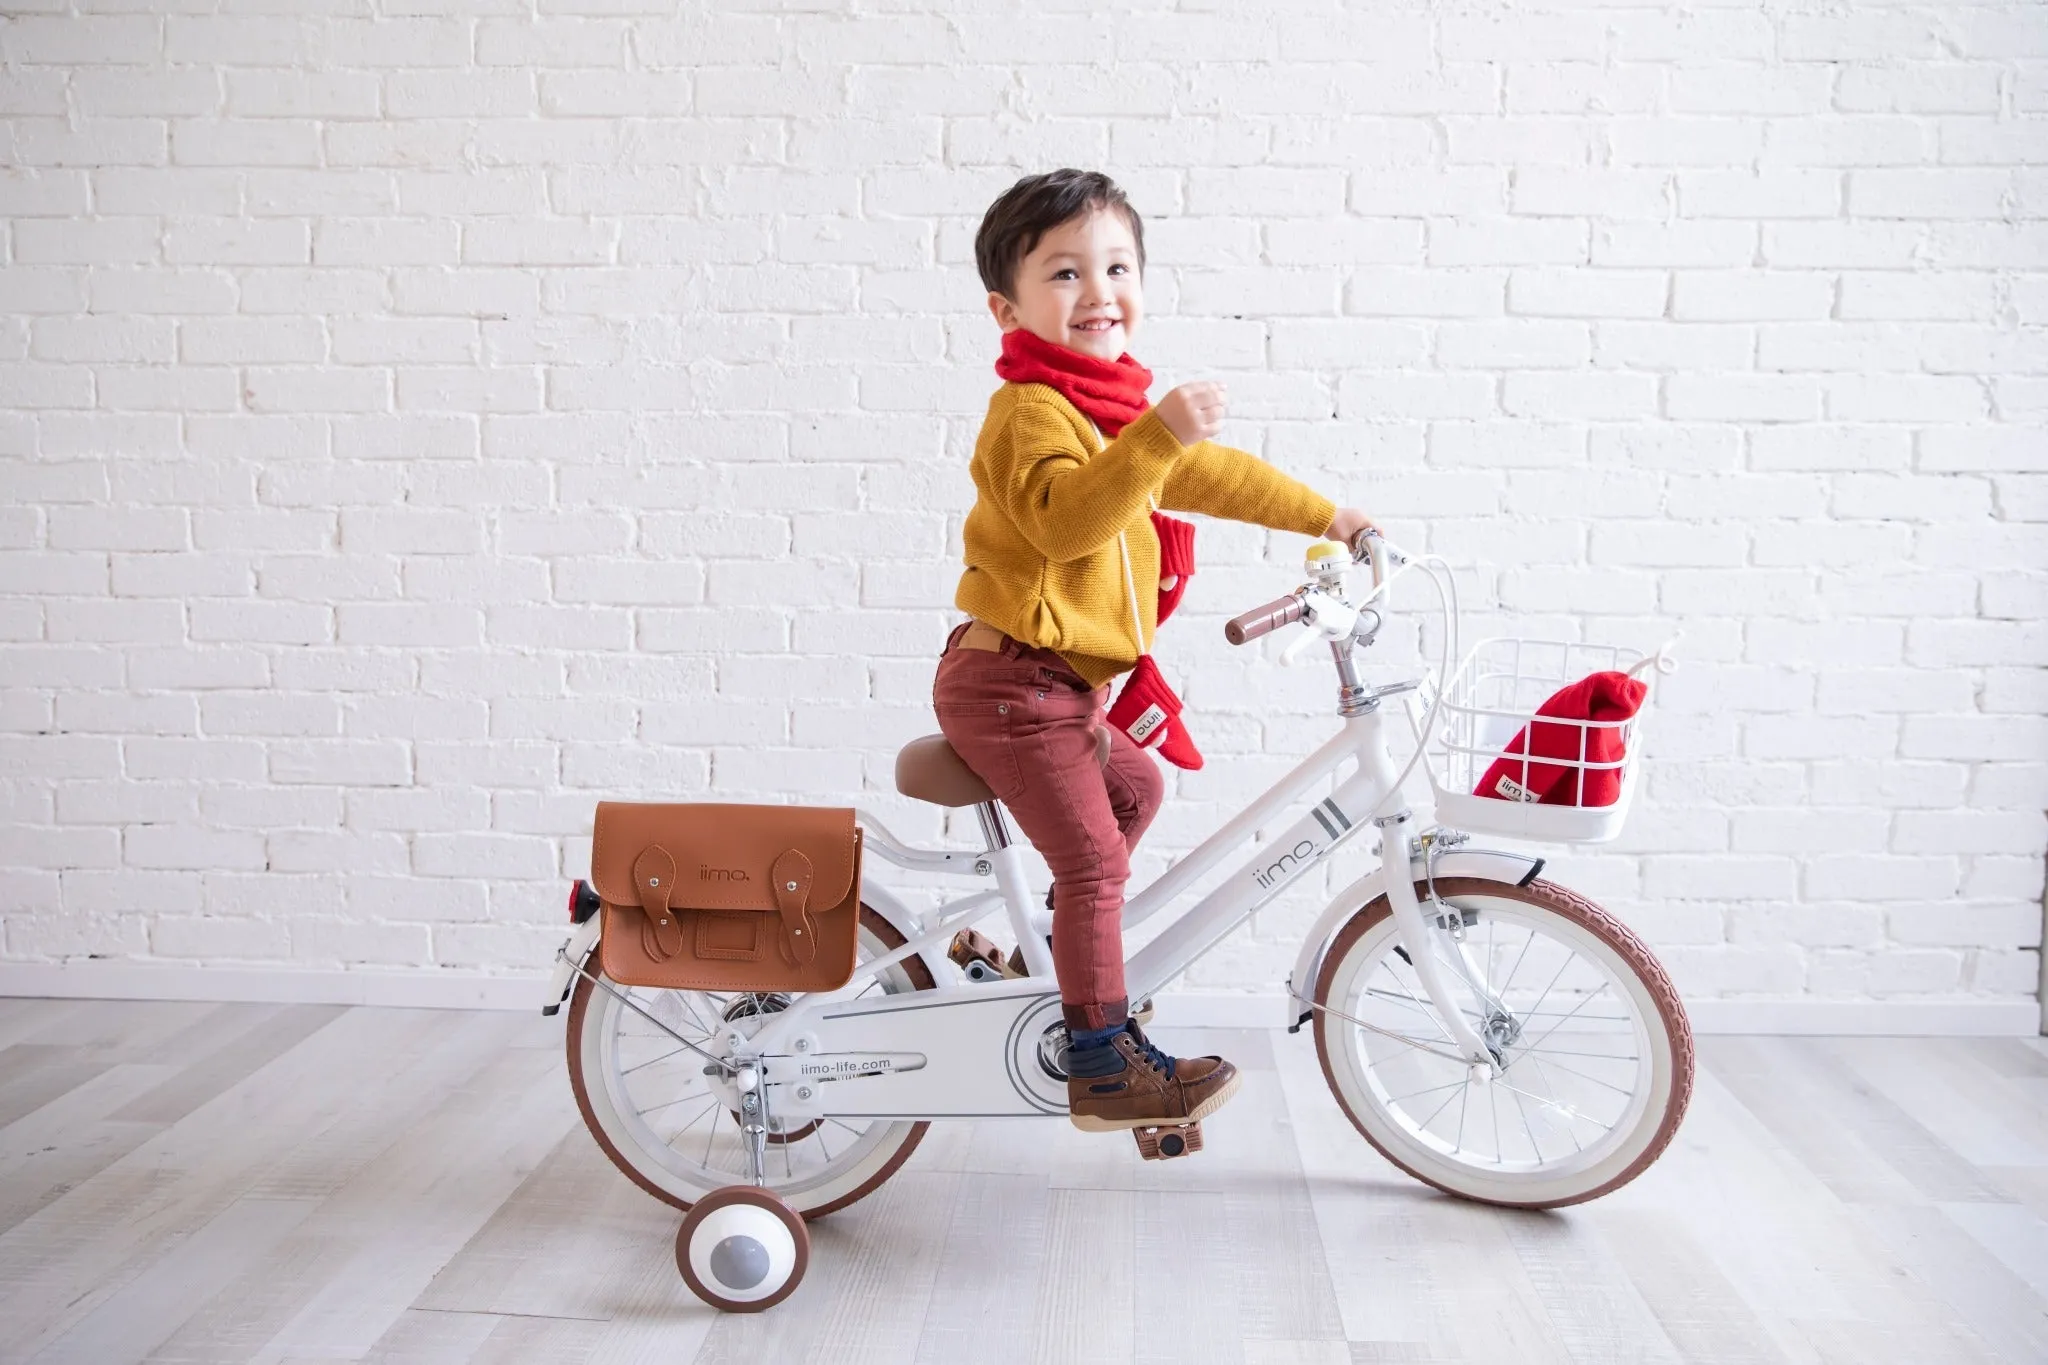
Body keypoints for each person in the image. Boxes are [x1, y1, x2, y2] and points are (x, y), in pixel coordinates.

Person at [932, 169, 1376, 1134]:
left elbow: (1213, 477)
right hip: (1010, 682)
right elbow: (1066, 521)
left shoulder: (1108, 408)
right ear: (1007, 309)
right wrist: (1158, 435)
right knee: (1095, 863)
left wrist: (1330, 515)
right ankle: (1099, 1063)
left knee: (1136, 792)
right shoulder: (1030, 415)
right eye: (1064, 273)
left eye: (1117, 266)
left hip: (1059, 686)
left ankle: (1049, 968)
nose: (1098, 291)